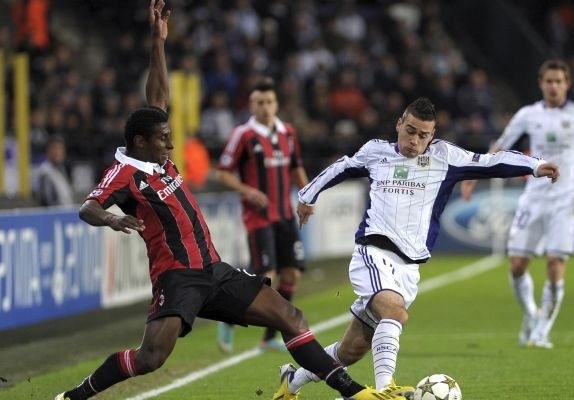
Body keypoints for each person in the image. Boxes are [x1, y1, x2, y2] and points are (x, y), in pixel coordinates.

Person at [55, 3, 404, 400]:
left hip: (213, 269)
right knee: (150, 358)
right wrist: (113, 220)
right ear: (139, 141)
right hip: (178, 277)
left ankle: (353, 393)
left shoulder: (157, 155)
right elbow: (88, 207)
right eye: (163, 138)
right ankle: (74, 396)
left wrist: (157, 41)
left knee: (291, 315)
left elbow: (158, 95)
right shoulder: (123, 174)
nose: (171, 144)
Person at [273, 97, 560, 400]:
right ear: (399, 124)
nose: (415, 140)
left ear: (432, 135)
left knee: (351, 350)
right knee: (394, 312)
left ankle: (292, 381)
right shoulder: (376, 152)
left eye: (424, 135)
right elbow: (342, 167)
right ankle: (386, 388)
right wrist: (307, 196)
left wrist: (535, 165)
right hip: (373, 251)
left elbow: (491, 162)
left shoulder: (445, 156)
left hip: (409, 268)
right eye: (410, 131)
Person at [461, 59, 574, 349]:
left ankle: (542, 332)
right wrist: (473, 175)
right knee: (516, 265)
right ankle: (531, 314)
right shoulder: (528, 115)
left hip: (566, 199)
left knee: (555, 265)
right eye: (549, 81)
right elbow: (500, 146)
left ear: (567, 84)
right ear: (541, 83)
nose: (553, 86)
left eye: (558, 81)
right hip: (533, 197)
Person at [215, 76, 309, 353]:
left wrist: (308, 196)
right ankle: (228, 316)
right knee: (265, 276)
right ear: (251, 105)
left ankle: (269, 337)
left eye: (269, 102)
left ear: (276, 104)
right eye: (259, 102)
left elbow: (296, 168)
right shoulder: (243, 135)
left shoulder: (287, 132)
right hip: (259, 217)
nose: (265, 107)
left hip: (285, 215)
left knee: (291, 275)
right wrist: (247, 190)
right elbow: (223, 172)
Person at [33, 134, 76, 206]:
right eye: (54, 148)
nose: (57, 152)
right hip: (54, 212)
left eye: (60, 149)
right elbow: (46, 203)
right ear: (48, 151)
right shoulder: (45, 172)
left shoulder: (62, 169)